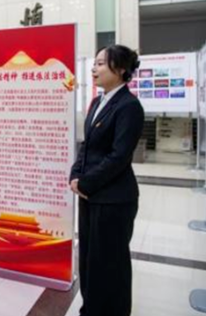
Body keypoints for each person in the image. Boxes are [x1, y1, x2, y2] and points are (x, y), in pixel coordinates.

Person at [71, 44, 143, 316]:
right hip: (90, 196)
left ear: (121, 69)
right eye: (95, 63)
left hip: (114, 200)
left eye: (101, 63)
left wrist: (86, 182)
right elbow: (87, 145)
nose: (94, 68)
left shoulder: (129, 106)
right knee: (89, 260)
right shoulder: (96, 102)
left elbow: (119, 156)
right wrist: (75, 174)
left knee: (110, 265)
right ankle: (91, 309)